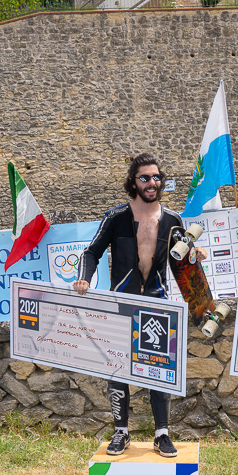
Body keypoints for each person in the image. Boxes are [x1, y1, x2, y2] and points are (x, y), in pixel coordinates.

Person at [74, 153, 202, 458]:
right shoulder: (116, 217)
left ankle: (162, 434)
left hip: (157, 301)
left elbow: (181, 259)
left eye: (157, 177)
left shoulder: (172, 220)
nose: (152, 183)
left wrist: (196, 257)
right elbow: (91, 253)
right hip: (121, 301)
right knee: (118, 369)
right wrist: (84, 280)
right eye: (145, 178)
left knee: (159, 368)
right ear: (134, 182)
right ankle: (121, 432)